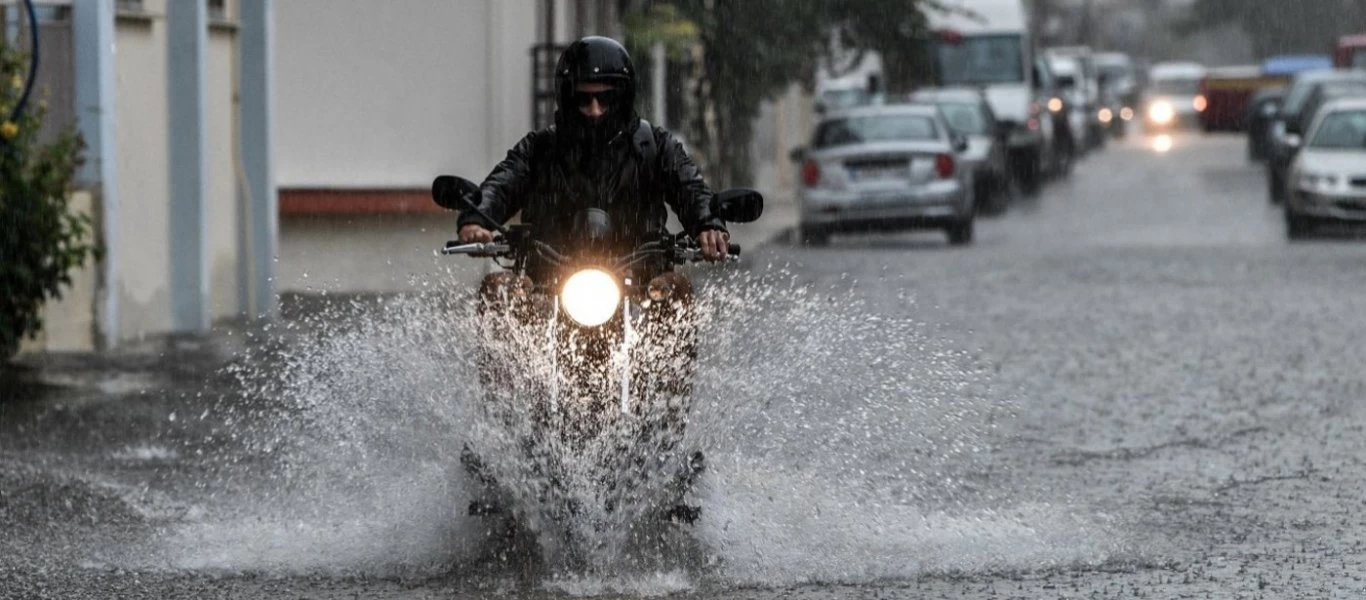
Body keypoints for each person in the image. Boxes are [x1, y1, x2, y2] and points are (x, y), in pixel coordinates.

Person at [456, 36, 730, 307]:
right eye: (583, 99)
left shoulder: (655, 147)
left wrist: (708, 224)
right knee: (499, 290)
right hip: (546, 281)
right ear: (566, 97)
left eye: (606, 98)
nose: (595, 110)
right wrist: (477, 218)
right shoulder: (540, 149)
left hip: (641, 279)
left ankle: (667, 354)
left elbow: (690, 186)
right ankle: (513, 353)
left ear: (623, 97)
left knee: (675, 290)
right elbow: (503, 183)